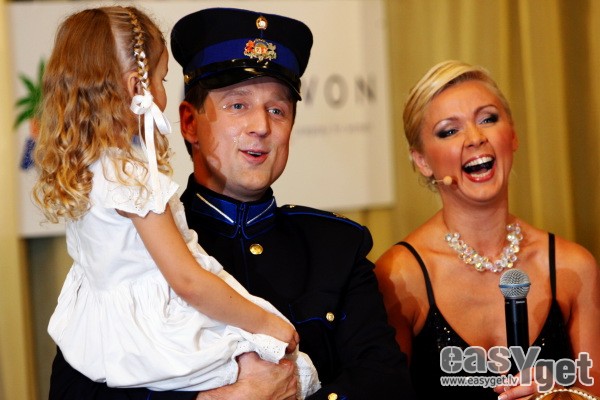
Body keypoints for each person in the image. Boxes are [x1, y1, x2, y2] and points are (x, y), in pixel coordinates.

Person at [46, 6, 416, 400]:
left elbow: (384, 382)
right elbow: (73, 391)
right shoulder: (134, 246)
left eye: (277, 110)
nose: (261, 127)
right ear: (190, 123)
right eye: (237, 105)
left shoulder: (337, 249)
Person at [374, 59, 600, 399]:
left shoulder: (573, 267)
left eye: (488, 119)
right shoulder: (400, 276)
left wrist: (558, 393)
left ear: (513, 135)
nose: (475, 138)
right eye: (449, 131)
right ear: (422, 161)